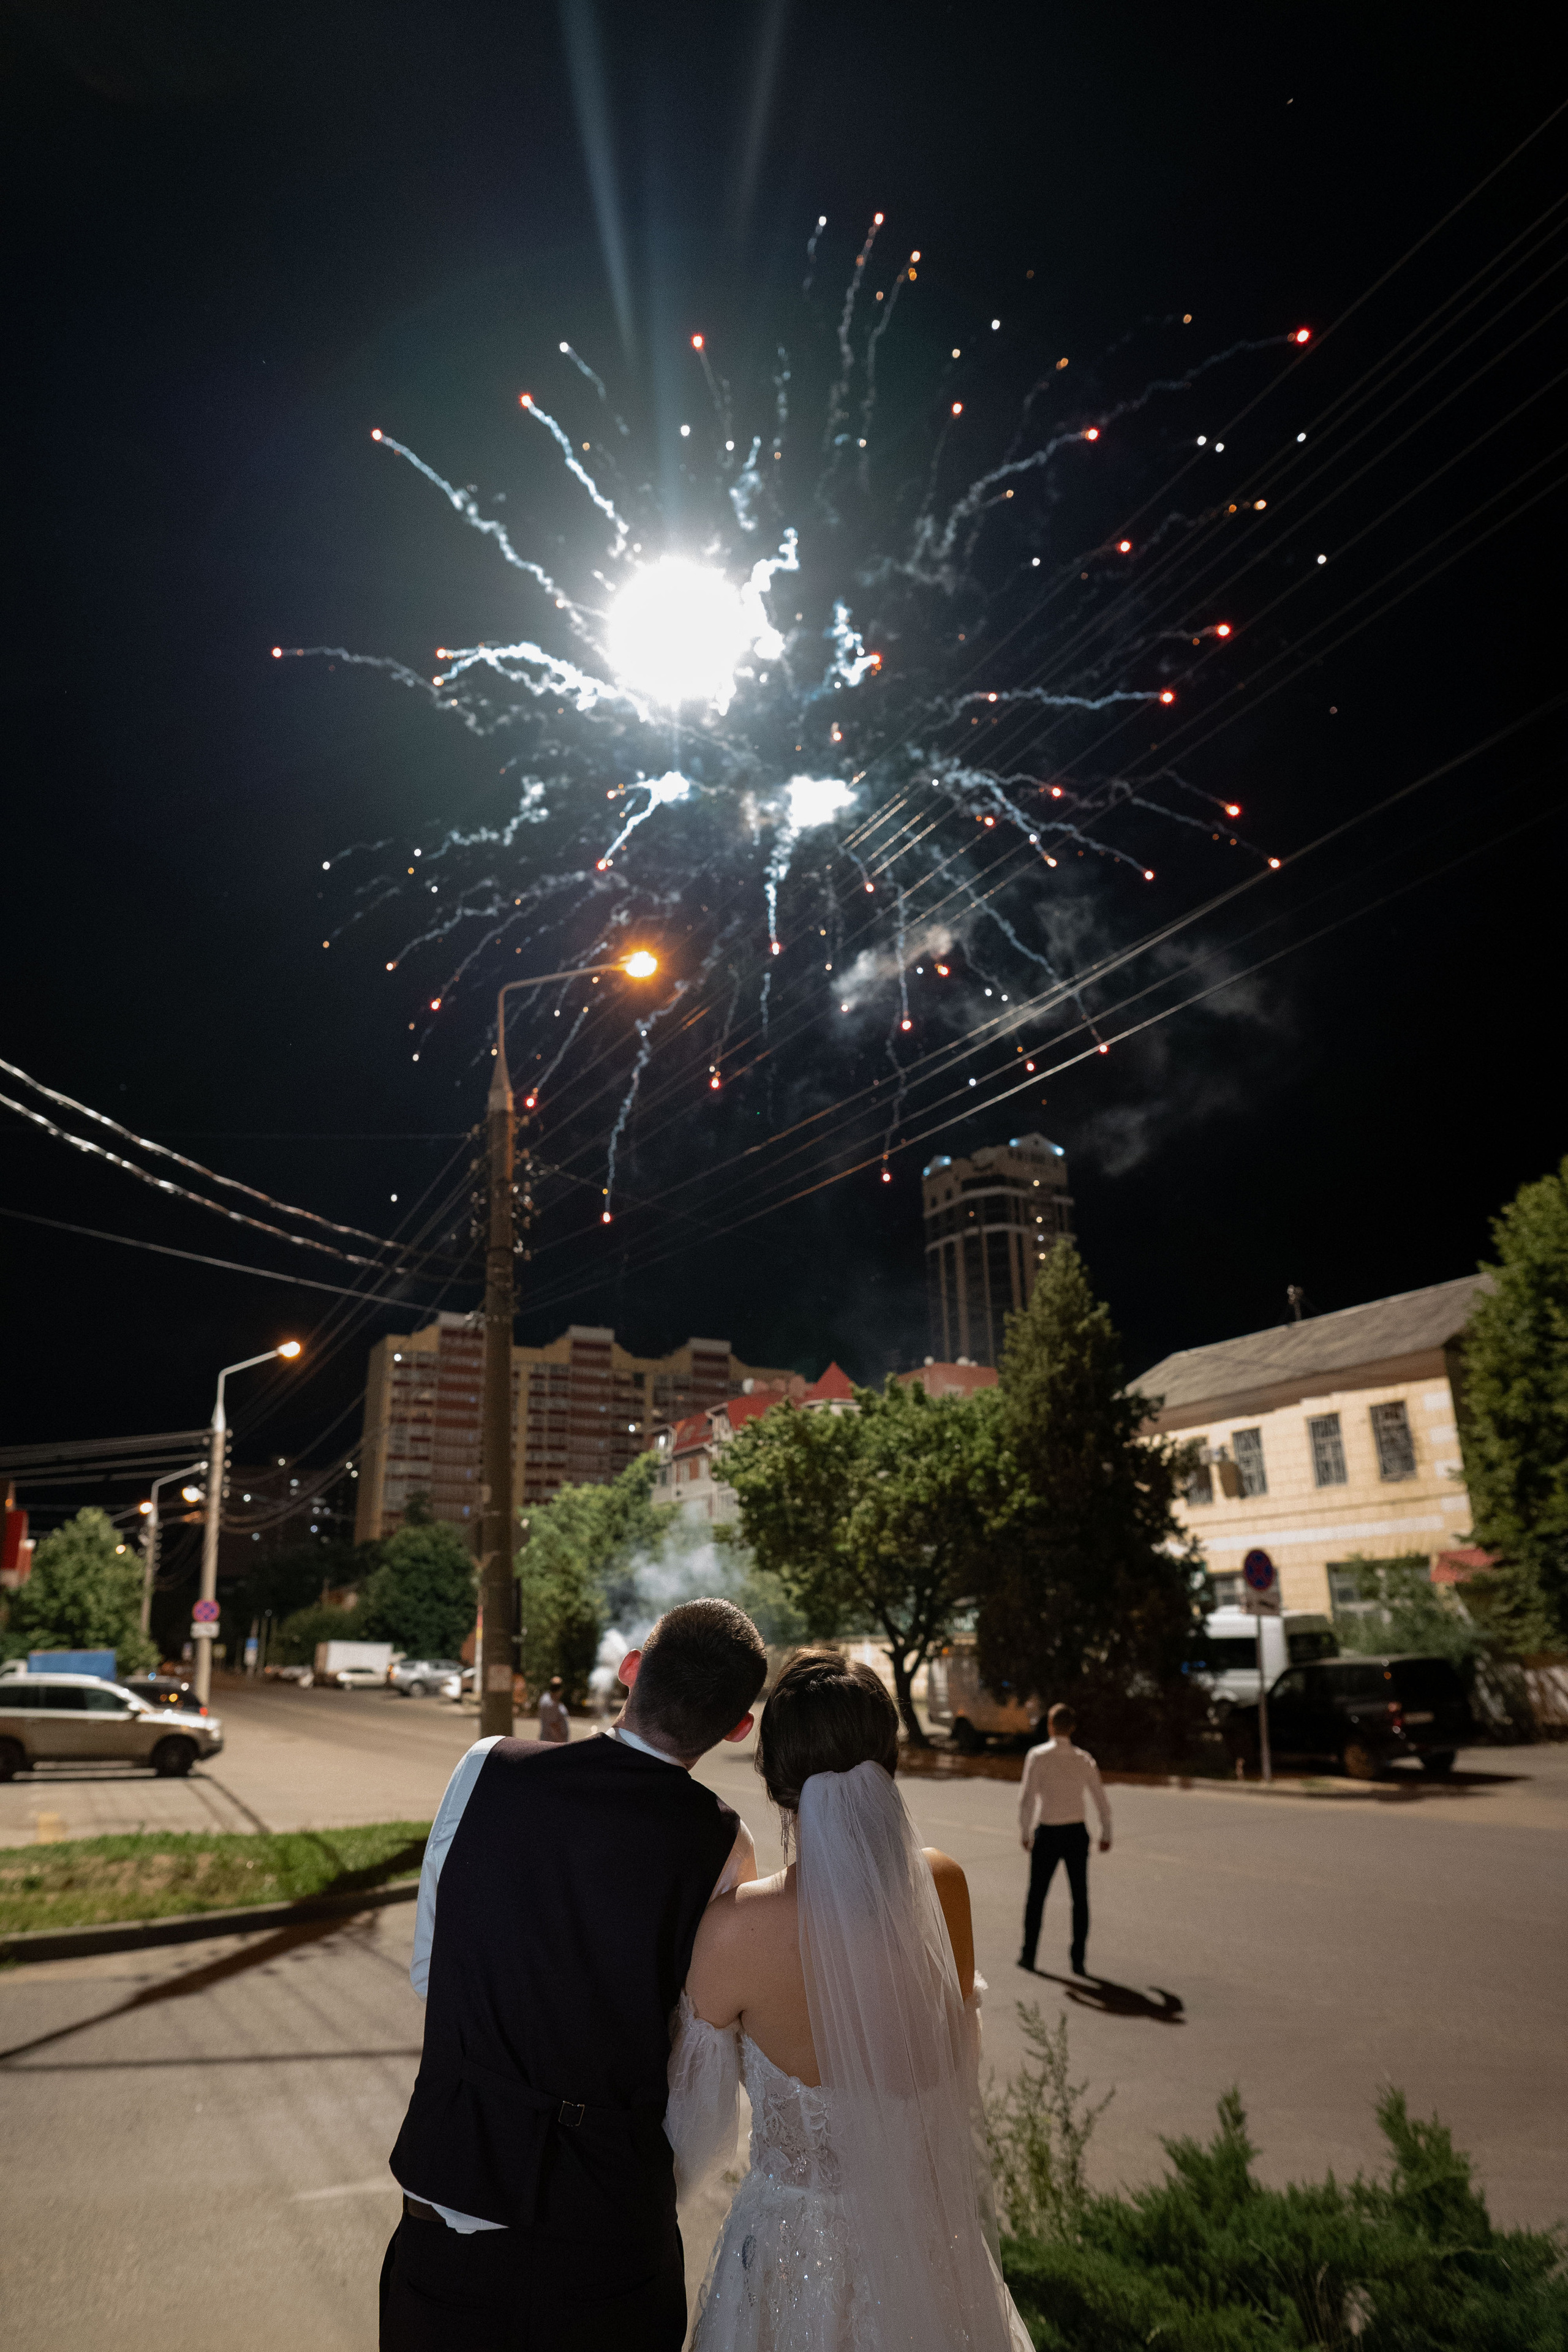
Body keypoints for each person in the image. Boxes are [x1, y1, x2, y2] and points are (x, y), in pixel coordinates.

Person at [381, 1598, 768, 2352]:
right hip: (611, 2220)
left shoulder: (486, 1767)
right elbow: (698, 2062)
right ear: (736, 1729)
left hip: (454, 2190)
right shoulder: (724, 1842)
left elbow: (432, 1970)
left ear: (631, 1669)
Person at [668, 1650, 1031, 2352]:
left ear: (774, 1779)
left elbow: (691, 2135)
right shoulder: (943, 1889)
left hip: (788, 2252)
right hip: (927, 2246)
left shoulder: (733, 1930)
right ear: (888, 1763)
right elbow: (958, 2069)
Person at [1017, 1701, 1112, 1979]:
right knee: (1079, 1897)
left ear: (1050, 1726)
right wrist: (1106, 1832)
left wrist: (1025, 1832)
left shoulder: (1037, 1756)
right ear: (1073, 1728)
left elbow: (1026, 1799)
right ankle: (1078, 1960)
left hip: (1048, 1831)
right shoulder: (1084, 1759)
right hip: (1076, 1833)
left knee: (1037, 1896)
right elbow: (1101, 1799)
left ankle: (1029, 1955)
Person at [537, 1674, 570, 1744]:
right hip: (553, 1743)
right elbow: (553, 1727)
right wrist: (563, 1744)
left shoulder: (551, 1699)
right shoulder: (549, 1703)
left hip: (554, 1743)